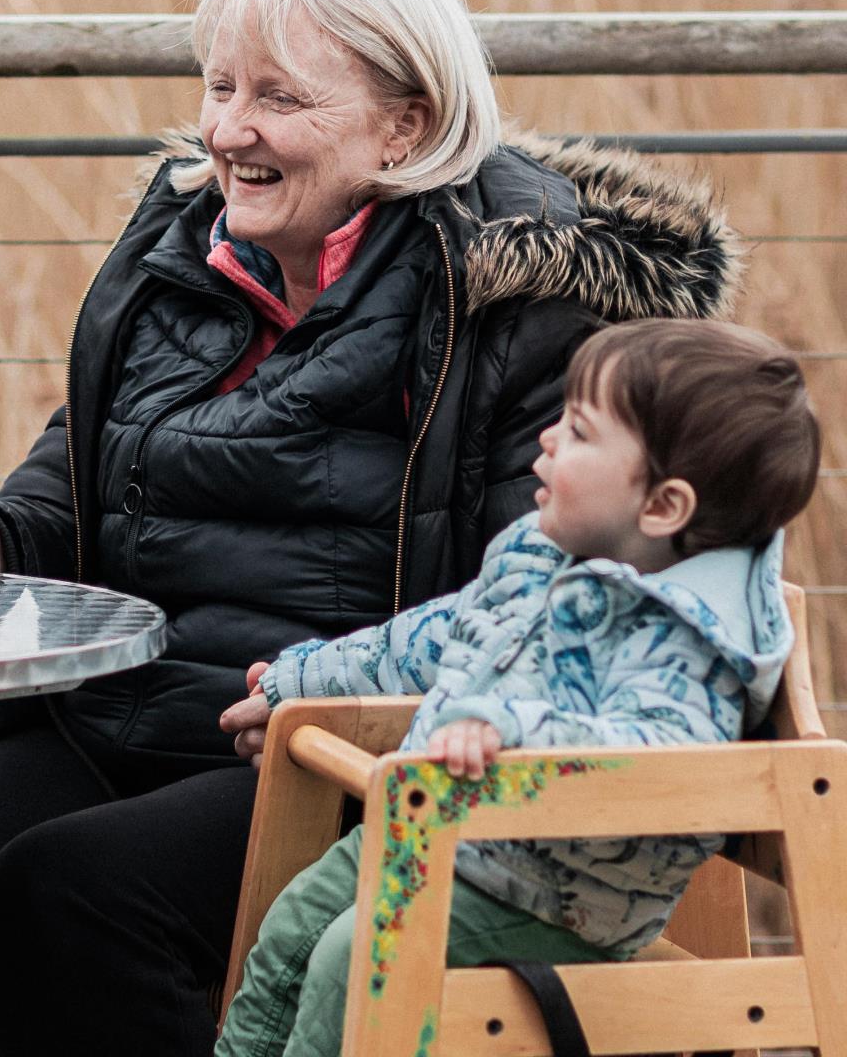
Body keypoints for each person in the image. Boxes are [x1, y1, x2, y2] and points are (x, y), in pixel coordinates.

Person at [0, 0, 745, 1057]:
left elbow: (538, 608)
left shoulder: (521, 307)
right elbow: (77, 481)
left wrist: (327, 700)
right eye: (219, 85)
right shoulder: (179, 256)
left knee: (65, 903)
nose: (229, 130)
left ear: (406, 124)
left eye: (278, 97)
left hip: (349, 754)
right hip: (118, 723)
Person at [215, 318, 819, 1057]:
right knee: (289, 931)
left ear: (662, 506)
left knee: (352, 958)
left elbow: (652, 760)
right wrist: (296, 682)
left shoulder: (683, 640)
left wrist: (509, 731)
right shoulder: (539, 553)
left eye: (581, 432)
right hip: (444, 840)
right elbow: (434, 639)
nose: (549, 440)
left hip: (554, 902)